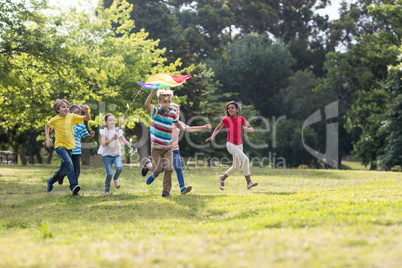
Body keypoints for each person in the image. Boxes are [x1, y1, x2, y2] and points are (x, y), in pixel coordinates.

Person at [142, 103, 212, 194]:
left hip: (174, 150)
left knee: (178, 167)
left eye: (175, 110)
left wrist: (203, 127)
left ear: (177, 113)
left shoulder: (179, 124)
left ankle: (182, 188)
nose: (173, 111)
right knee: (161, 169)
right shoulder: (164, 121)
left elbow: (189, 129)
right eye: (171, 109)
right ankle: (148, 165)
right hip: (163, 149)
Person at [206, 101, 258, 190]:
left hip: (240, 145)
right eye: (228, 108)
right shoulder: (226, 119)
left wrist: (245, 127)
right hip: (231, 145)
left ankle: (222, 178)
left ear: (237, 110)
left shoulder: (242, 119)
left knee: (236, 167)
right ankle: (249, 182)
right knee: (245, 159)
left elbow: (251, 129)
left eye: (232, 108)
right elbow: (217, 128)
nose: (230, 109)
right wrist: (212, 136)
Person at [143, 89, 185, 197]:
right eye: (165, 102)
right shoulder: (156, 111)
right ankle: (148, 164)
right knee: (157, 170)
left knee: (169, 169)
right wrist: (153, 92)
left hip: (168, 147)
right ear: (159, 101)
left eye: (169, 101)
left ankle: (166, 192)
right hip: (156, 147)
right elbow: (146, 104)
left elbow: (177, 124)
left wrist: (183, 127)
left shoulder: (172, 113)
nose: (167, 104)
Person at [45, 99, 91, 196]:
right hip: (60, 146)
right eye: (63, 107)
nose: (66, 108)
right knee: (69, 163)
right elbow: (47, 126)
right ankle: (74, 186)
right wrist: (47, 138)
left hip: (70, 147)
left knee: (64, 170)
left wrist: (86, 111)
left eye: (67, 107)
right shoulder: (55, 119)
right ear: (58, 110)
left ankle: (51, 181)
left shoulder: (72, 117)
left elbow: (87, 118)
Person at [58, 105, 95, 186]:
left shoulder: (81, 125)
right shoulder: (66, 123)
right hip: (67, 150)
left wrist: (90, 136)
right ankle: (60, 175)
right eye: (75, 113)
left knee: (77, 171)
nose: (78, 114)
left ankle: (75, 187)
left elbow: (85, 137)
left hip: (77, 151)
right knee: (64, 169)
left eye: (79, 112)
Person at [99, 113, 132, 195]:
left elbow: (123, 140)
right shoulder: (104, 132)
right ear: (105, 122)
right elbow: (103, 144)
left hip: (116, 154)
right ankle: (106, 190)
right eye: (110, 120)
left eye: (113, 120)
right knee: (109, 173)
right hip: (107, 156)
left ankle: (115, 178)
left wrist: (127, 143)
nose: (112, 121)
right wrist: (112, 138)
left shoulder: (118, 131)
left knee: (119, 168)